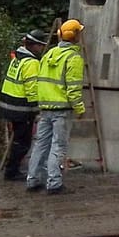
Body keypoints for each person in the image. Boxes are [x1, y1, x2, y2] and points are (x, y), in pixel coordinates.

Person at [27, 20, 86, 193]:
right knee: (58, 147)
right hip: (61, 110)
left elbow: (40, 81)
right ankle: (54, 183)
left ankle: (33, 180)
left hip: (45, 108)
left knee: (40, 145)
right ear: (75, 36)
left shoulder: (50, 54)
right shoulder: (73, 58)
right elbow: (73, 89)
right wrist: (80, 109)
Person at [0, 30, 48, 180]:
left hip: (9, 104)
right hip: (21, 107)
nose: (41, 49)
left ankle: (11, 169)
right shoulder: (31, 63)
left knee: (18, 139)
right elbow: (32, 88)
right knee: (23, 142)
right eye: (40, 45)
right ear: (34, 45)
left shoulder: (18, 58)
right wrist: (37, 110)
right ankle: (12, 171)